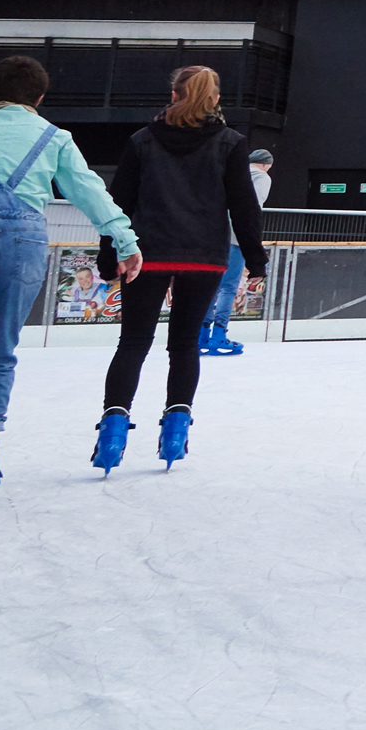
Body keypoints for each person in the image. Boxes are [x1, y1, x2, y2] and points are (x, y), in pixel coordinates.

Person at [0, 55, 140, 499]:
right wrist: (124, 239)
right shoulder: (54, 138)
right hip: (24, 245)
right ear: (39, 97)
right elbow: (88, 189)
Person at [91, 65, 268, 474]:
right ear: (215, 100)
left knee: (134, 343)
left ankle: (112, 432)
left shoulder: (142, 141)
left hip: (147, 253)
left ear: (174, 95)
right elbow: (243, 205)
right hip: (204, 256)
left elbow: (118, 203)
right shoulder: (231, 143)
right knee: (185, 344)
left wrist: (108, 254)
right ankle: (175, 430)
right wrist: (255, 259)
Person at [199, 143, 273, 356]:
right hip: (236, 236)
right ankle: (218, 335)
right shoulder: (262, 177)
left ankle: (201, 334)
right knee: (228, 287)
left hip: (213, 235)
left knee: (211, 284)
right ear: (266, 165)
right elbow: (251, 207)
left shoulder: (230, 170)